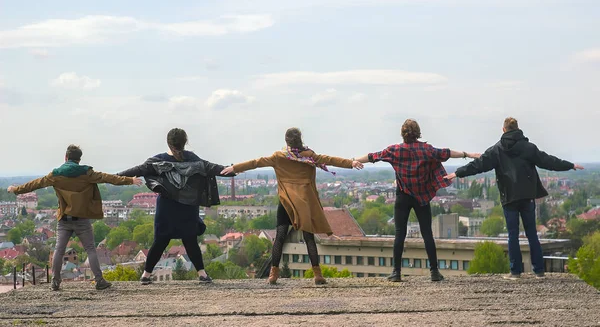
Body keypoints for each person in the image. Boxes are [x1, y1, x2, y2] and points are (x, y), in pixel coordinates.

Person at [445, 117, 584, 279]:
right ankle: (539, 271)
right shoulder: (529, 148)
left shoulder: (496, 150)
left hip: (509, 196)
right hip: (527, 196)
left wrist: (456, 173)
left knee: (513, 234)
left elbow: (477, 165)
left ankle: (515, 272)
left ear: (503, 130)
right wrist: (570, 165)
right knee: (532, 233)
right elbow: (548, 161)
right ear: (518, 129)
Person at [221, 127, 363, 285]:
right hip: (305, 202)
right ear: (300, 139)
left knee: (280, 237)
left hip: (286, 202)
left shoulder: (279, 157)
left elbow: (256, 162)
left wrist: (235, 168)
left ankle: (273, 274)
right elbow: (329, 159)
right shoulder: (310, 156)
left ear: (286, 140)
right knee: (309, 238)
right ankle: (317, 274)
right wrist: (352, 163)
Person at [354, 119, 480, 282]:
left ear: (403, 133)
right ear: (418, 133)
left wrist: (353, 160)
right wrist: (468, 154)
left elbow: (373, 156)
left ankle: (396, 273)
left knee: (400, 233)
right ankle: (434, 272)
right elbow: (447, 153)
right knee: (427, 233)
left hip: (403, 196)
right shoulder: (426, 150)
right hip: (422, 197)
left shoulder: (394, 150)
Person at [8, 145, 142, 291]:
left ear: (66, 157)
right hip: (82, 219)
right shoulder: (87, 173)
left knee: (59, 250)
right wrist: (130, 180)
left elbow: (34, 184)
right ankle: (99, 281)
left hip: (64, 219)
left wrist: (16, 190)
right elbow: (109, 178)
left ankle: (55, 282)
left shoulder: (56, 174)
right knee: (91, 249)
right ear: (79, 159)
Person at [118, 128, 233, 285]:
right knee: (190, 240)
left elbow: (137, 170)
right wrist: (236, 169)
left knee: (160, 241)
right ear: (185, 142)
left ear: (168, 143)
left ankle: (146, 275)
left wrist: (114, 177)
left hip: (166, 208)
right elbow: (215, 168)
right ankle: (202, 274)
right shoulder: (193, 159)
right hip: (188, 207)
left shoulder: (158, 160)